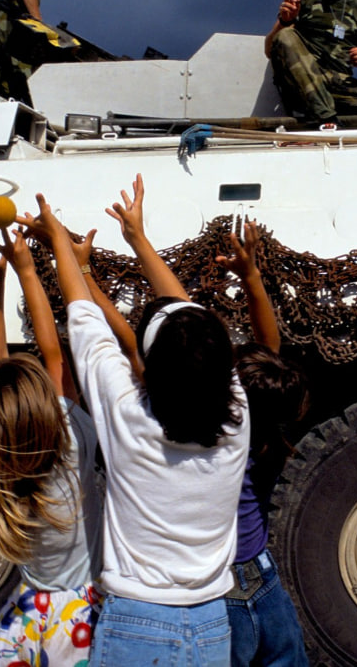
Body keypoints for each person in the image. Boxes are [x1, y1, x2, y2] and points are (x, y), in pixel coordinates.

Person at [20, 175, 249, 666]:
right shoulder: (236, 417)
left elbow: (81, 313)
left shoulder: (126, 412)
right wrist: (138, 239)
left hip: (135, 622)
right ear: (221, 363)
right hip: (212, 623)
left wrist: (59, 240)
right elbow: (196, 325)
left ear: (149, 365)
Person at [0, 227, 104, 667]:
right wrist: (26, 269)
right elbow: (54, 354)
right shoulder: (69, 441)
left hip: (25, 616)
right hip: (79, 618)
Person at [213, 223, 310, 667]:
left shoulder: (216, 438)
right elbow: (269, 346)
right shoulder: (268, 435)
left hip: (220, 583)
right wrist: (251, 275)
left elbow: (267, 346)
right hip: (261, 575)